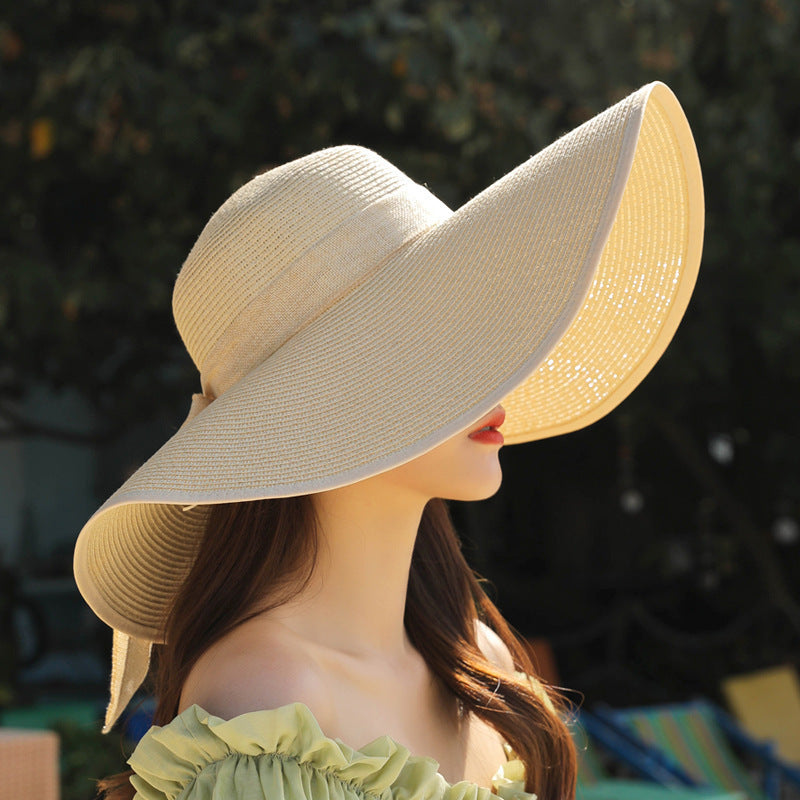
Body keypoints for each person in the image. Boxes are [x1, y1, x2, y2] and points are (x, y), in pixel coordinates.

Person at [74, 81, 704, 800]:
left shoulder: (481, 662)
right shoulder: (269, 697)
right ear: (325, 398)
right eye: (436, 336)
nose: (495, 369)